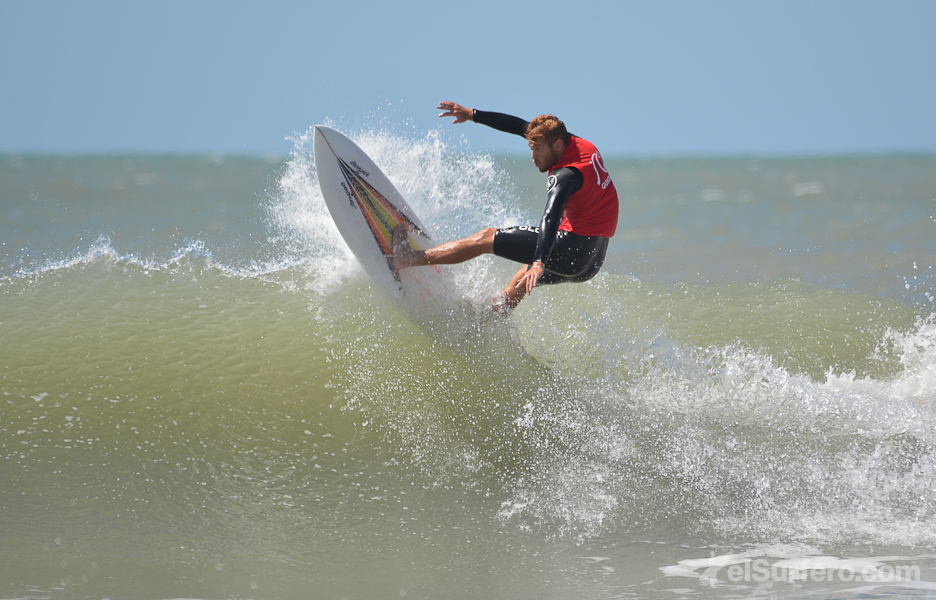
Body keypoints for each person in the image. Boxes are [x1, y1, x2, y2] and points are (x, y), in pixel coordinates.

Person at [392, 101, 619, 310]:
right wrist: (471, 115)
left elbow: (550, 217)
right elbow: (519, 125)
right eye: (532, 147)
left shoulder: (565, 175)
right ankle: (491, 318)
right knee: (523, 277)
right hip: (592, 260)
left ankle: (409, 257)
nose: (533, 156)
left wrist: (540, 261)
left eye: (537, 149)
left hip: (572, 247)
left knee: (485, 238)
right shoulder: (576, 143)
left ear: (557, 146)